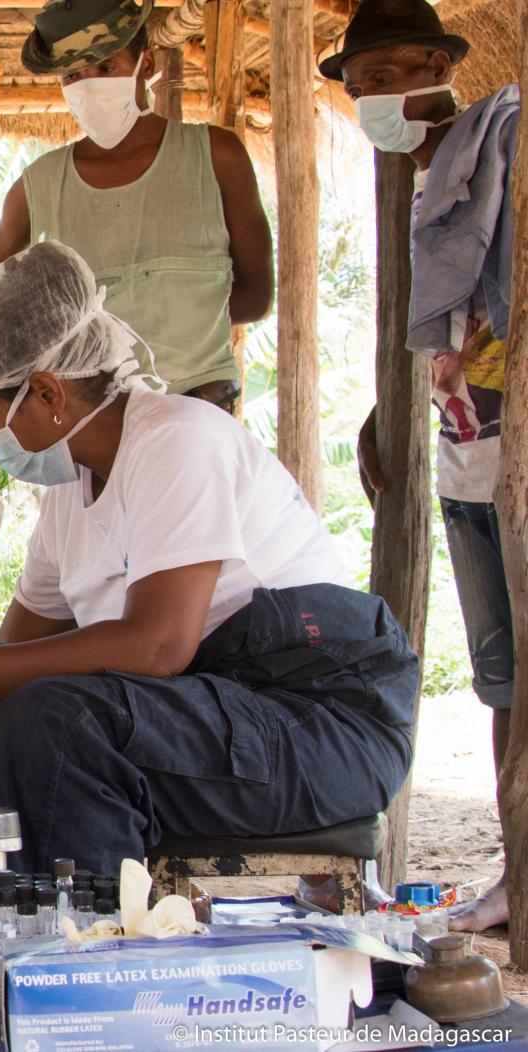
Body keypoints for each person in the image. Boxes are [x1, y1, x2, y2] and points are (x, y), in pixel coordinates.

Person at [0, 242, 420, 875]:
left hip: (320, 719)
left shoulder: (178, 439)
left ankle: (86, 937)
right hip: (211, 705)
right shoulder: (71, 492)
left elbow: (158, 647)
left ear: (47, 393)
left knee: (56, 723)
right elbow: (4, 662)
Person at [325, 0, 519, 932]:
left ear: (444, 65)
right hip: (466, 465)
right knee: (502, 685)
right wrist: (391, 416)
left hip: (513, 465)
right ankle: (517, 873)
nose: (382, 97)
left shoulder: (501, 150)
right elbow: (455, 334)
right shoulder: (431, 180)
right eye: (365, 86)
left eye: (401, 73)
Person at [0, 0, 273, 409]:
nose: (88, 84)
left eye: (105, 67)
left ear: (145, 64)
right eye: (73, 74)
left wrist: (182, 321)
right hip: (96, 425)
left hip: (200, 407)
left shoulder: (216, 157)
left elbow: (256, 296)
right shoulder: (40, 185)